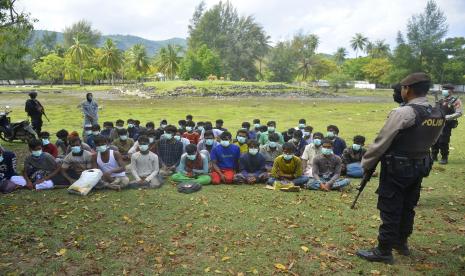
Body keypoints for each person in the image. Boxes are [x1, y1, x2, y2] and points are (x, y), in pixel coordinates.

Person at [356, 72, 445, 264]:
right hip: (420, 165)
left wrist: (366, 164)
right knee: (407, 206)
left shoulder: (404, 113)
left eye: (403, 88)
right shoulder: (436, 111)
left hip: (397, 167)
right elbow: (433, 139)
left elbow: (382, 141)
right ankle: (401, 243)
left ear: (408, 89)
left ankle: (383, 250)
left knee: (391, 206)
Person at [431, 83, 463, 164]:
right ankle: (433, 156)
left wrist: (447, 117)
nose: (443, 91)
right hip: (436, 123)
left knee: (443, 141)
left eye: (445, 89)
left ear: (450, 91)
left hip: (447, 124)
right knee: (434, 140)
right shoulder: (440, 100)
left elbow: (459, 113)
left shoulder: (455, 101)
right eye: (443, 89)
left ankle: (444, 157)